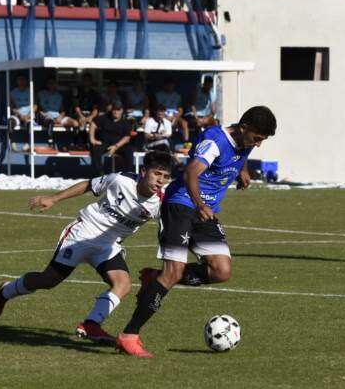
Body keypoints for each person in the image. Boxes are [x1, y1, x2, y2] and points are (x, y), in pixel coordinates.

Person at [115, 106, 277, 358]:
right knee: (174, 272)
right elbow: (191, 172)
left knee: (221, 271)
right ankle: (129, 335)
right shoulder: (215, 140)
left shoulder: (244, 140)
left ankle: (154, 278)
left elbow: (239, 154)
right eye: (257, 139)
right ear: (244, 128)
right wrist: (200, 204)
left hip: (205, 211)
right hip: (182, 204)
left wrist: (242, 170)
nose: (258, 145)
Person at [0, 151, 176, 342]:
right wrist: (53, 198)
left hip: (108, 245)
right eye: (157, 174)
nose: (161, 181)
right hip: (83, 232)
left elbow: (167, 232)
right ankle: (6, 291)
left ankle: (91, 325)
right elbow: (88, 185)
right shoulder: (120, 180)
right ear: (144, 171)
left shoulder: (160, 203)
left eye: (166, 177)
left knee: (123, 284)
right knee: (49, 280)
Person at [90, 102, 133, 175]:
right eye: (114, 109)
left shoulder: (125, 122)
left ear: (122, 110)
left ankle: (128, 173)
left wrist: (116, 147)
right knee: (95, 149)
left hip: (118, 145)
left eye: (118, 110)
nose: (116, 111)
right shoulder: (104, 118)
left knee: (129, 149)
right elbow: (93, 124)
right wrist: (92, 139)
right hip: (104, 143)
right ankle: (99, 173)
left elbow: (127, 137)